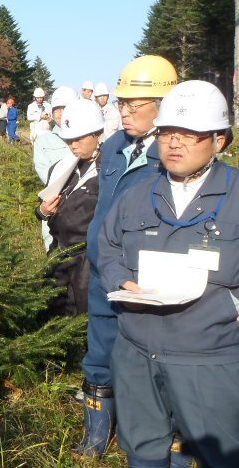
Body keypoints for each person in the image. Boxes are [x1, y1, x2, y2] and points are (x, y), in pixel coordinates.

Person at [100, 80, 238, 468]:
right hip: (137, 352)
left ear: (219, 141)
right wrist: (118, 281)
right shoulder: (137, 195)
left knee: (222, 454)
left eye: (190, 134)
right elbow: (107, 247)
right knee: (142, 451)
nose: (175, 142)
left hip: (208, 358)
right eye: (167, 133)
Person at [76, 55, 179, 458]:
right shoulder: (116, 146)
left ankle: (160, 440)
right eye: (121, 104)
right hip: (105, 274)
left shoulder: (173, 152)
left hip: (146, 283)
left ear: (163, 106)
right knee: (99, 357)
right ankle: (95, 437)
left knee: (153, 366)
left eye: (133, 106)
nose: (124, 112)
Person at [35, 99, 103, 316]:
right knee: (54, 315)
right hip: (59, 256)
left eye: (78, 138)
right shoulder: (62, 168)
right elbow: (40, 208)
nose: (73, 144)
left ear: (98, 134)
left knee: (83, 319)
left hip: (88, 263)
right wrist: (44, 211)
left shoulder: (109, 171)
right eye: (69, 139)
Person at [34, 85, 79, 252]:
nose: (60, 113)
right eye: (56, 109)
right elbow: (45, 173)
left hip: (81, 203)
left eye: (65, 108)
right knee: (53, 248)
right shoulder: (44, 141)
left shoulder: (85, 139)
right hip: (55, 200)